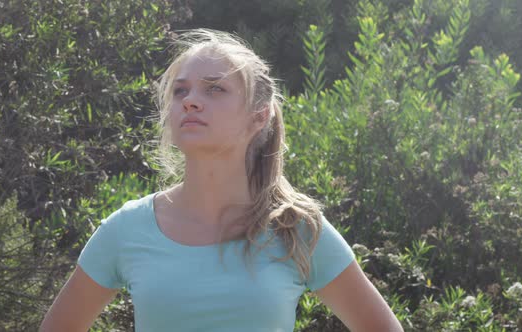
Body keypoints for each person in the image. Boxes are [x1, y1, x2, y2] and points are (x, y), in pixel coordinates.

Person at [40, 29, 403, 332]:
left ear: (258, 117)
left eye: (215, 89)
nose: (191, 101)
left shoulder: (297, 230)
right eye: (180, 91)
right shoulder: (126, 229)